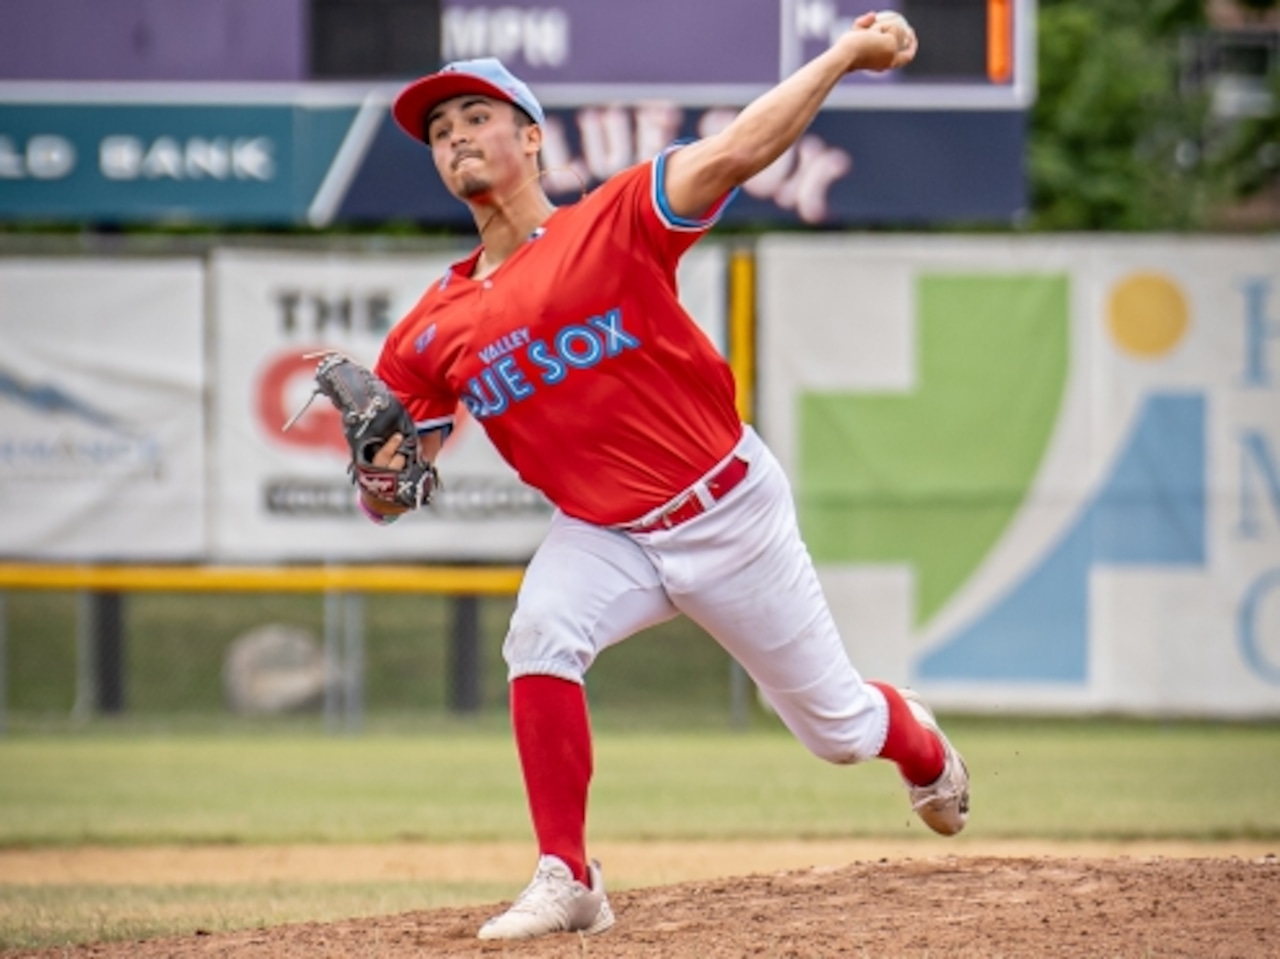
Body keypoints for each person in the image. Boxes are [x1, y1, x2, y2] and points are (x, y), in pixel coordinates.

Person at [363, 10, 968, 942]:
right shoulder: (429, 330)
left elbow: (736, 149)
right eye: (439, 134)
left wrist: (843, 55)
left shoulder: (613, 222)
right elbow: (393, 494)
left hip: (728, 512)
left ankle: (918, 741)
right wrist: (381, 466)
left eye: (474, 119)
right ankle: (569, 875)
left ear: (530, 137)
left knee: (838, 731)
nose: (455, 142)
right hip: (606, 532)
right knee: (540, 634)